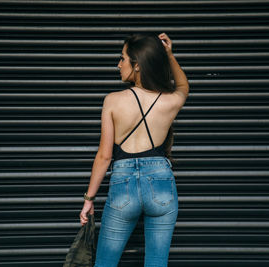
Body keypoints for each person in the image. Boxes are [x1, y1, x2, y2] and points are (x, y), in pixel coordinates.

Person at [79, 32, 189, 267]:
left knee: (105, 263)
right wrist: (170, 54)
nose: (118, 64)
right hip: (161, 183)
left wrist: (89, 199)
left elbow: (104, 156)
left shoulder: (112, 101)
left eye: (123, 59)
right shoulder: (170, 101)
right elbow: (183, 85)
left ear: (137, 65)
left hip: (123, 186)